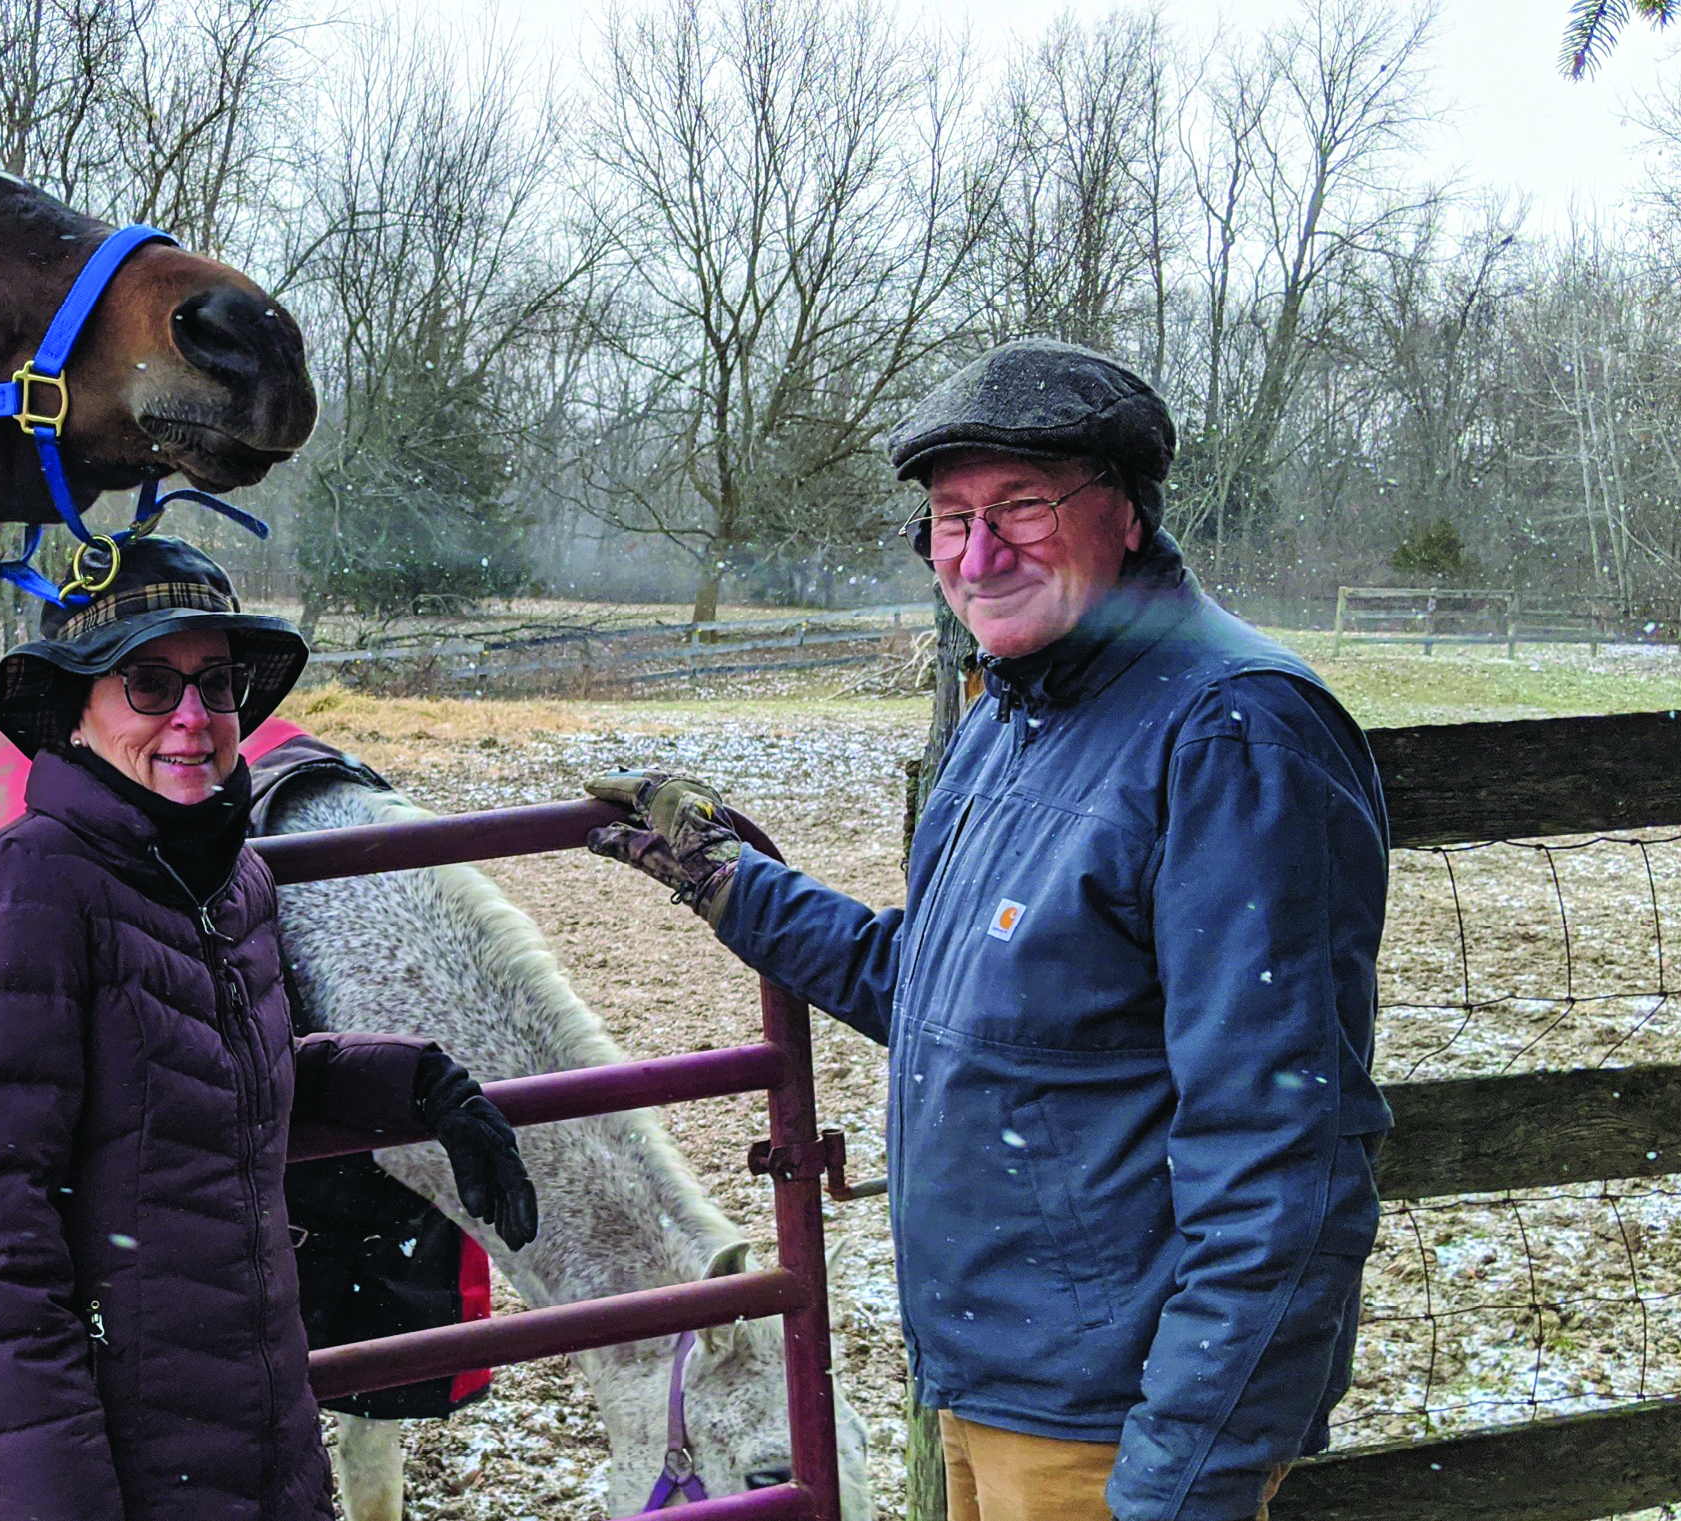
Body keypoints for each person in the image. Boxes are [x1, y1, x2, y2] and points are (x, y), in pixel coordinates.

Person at [585, 339, 1391, 1521]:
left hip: (1116, 1424)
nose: (978, 550)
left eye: (1021, 505)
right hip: (990, 1382)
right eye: (948, 519)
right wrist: (735, 888)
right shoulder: (1016, 713)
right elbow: (949, 985)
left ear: (1123, 512)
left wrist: (1183, 1478)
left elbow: (1285, 1153)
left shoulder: (1229, 736)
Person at [0, 535, 541, 1521]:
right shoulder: (18, 898)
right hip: (102, 1465)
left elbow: (217, 1076)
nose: (193, 718)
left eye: (216, 682)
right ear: (74, 711)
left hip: (250, 1428)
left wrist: (415, 1083)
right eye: (148, 685)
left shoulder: (226, 878)